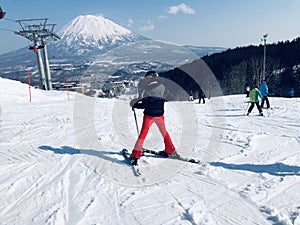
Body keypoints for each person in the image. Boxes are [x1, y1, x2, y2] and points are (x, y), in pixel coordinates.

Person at [129, 71, 177, 165]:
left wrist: (134, 104)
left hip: (149, 116)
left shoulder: (147, 89)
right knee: (164, 133)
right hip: (160, 114)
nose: (146, 80)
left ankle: (135, 156)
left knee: (143, 134)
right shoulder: (163, 86)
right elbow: (171, 97)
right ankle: (170, 151)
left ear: (150, 78)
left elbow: (144, 104)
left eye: (147, 78)